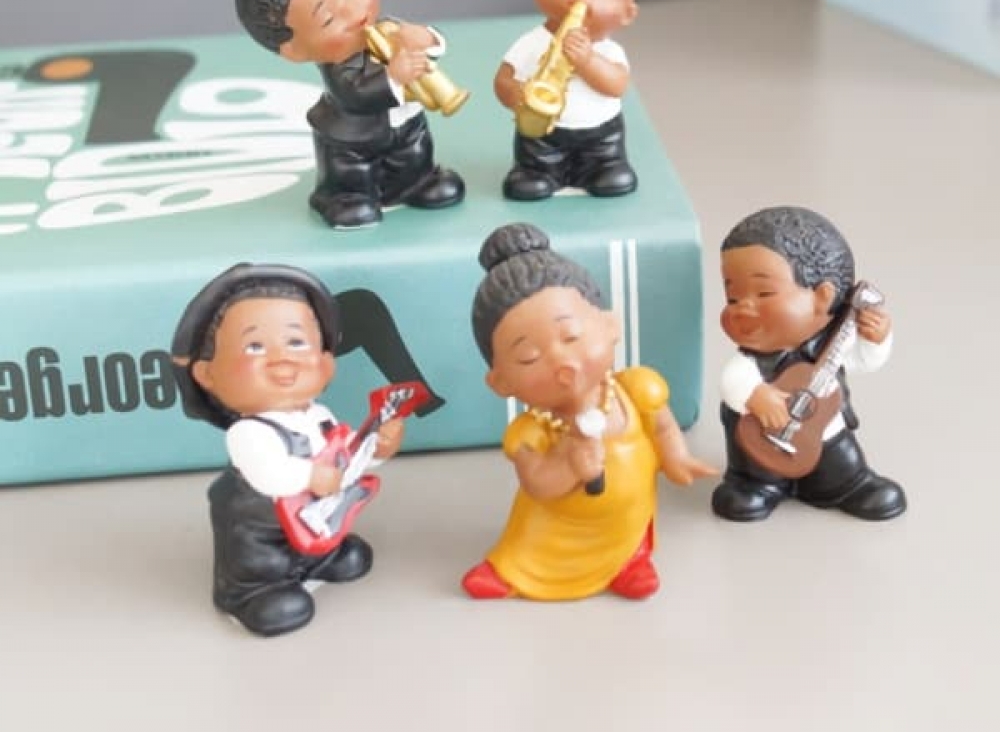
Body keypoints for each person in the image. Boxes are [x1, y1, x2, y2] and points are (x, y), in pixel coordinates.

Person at [462, 223, 716, 601]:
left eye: (572, 337)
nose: (561, 362)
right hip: (555, 530)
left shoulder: (636, 389)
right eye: (529, 357)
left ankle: (631, 561)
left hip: (627, 517)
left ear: (610, 325)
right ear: (500, 381)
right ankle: (515, 571)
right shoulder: (531, 432)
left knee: (631, 534)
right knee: (531, 546)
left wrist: (676, 457)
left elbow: (663, 428)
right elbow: (538, 484)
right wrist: (569, 467)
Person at [171, 263, 407, 636]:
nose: (282, 359)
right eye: (254, 346)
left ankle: (319, 558)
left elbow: (343, 459)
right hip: (259, 531)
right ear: (207, 375)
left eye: (296, 342)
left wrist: (377, 447)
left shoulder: (320, 416)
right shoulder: (249, 432)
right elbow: (271, 474)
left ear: (326, 365)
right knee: (262, 567)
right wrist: (311, 476)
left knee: (340, 551)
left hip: (309, 519)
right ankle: (248, 593)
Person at [235, 0, 464, 227]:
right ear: (294, 50)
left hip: (406, 125)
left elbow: (428, 46)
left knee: (415, 152)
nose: (354, 12)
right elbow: (355, 95)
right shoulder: (339, 69)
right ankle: (345, 198)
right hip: (354, 143)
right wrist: (393, 76)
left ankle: (417, 182)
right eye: (329, 20)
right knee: (353, 173)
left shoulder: (388, 28)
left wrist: (427, 39)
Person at [713, 206, 907, 523]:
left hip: (825, 436)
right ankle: (755, 486)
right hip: (760, 440)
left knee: (839, 462)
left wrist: (876, 340)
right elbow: (734, 380)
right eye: (733, 298)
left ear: (822, 297)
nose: (742, 309)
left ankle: (848, 485)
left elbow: (861, 362)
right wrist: (754, 395)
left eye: (764, 293)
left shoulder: (832, 345)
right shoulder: (751, 360)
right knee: (752, 463)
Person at [493, 0, 645, 201]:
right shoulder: (532, 43)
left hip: (601, 135)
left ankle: (604, 168)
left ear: (627, 13)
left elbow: (617, 85)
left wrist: (587, 61)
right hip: (542, 134)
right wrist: (518, 96)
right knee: (532, 168)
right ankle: (536, 172)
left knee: (610, 172)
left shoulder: (608, 50)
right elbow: (503, 80)